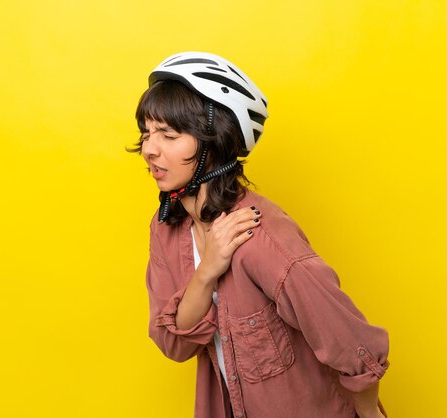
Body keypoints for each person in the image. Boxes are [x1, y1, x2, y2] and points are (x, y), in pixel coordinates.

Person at [129, 51, 390, 418]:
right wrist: (207, 272)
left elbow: (349, 341)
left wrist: (370, 414)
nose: (149, 150)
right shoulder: (166, 228)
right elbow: (174, 344)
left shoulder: (259, 235)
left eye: (169, 135)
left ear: (213, 143)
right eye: (147, 134)